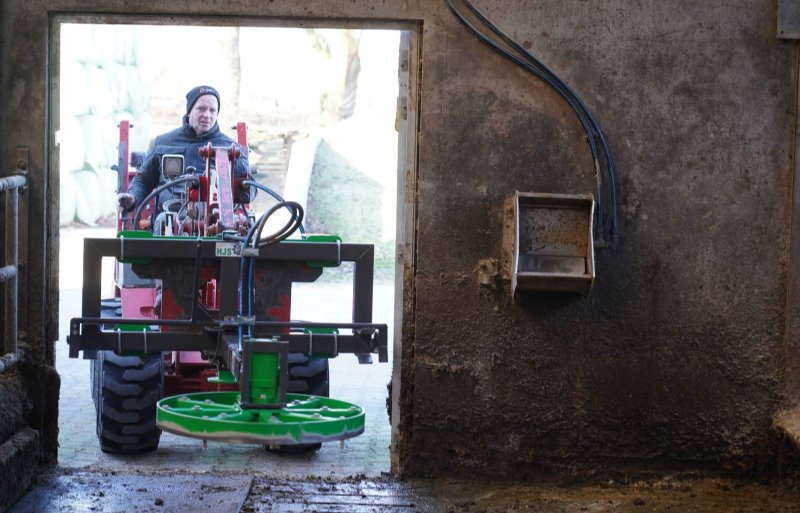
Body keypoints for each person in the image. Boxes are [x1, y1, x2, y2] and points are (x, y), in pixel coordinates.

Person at [117, 85, 250, 214]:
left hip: (216, 221)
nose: (207, 115)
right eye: (201, 109)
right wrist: (132, 198)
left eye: (212, 110)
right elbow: (144, 180)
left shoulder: (231, 149)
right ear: (189, 111)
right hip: (167, 222)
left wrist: (242, 191)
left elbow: (248, 186)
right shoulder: (163, 143)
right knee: (163, 220)